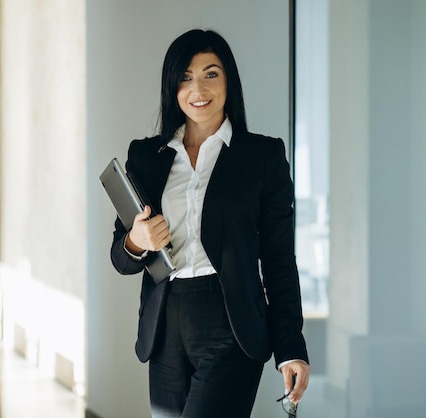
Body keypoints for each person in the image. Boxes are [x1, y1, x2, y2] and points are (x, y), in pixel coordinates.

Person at [110, 28, 310, 417]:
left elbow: (278, 259)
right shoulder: (147, 157)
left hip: (231, 327)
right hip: (164, 329)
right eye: (185, 76)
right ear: (172, 85)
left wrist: (290, 348)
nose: (197, 88)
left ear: (228, 81)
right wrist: (136, 240)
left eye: (210, 73)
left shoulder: (263, 157)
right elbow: (121, 258)